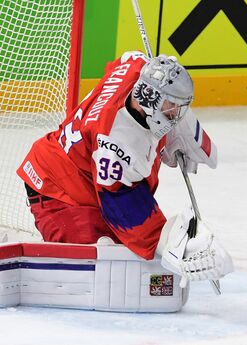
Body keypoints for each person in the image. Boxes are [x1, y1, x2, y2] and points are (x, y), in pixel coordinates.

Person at [17, 51, 233, 287]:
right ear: (151, 100)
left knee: (121, 257)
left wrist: (163, 67)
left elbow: (130, 58)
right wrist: (174, 244)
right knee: (101, 263)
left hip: (85, 172)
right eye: (173, 107)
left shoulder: (139, 67)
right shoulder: (117, 144)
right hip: (57, 190)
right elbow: (124, 211)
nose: (176, 115)